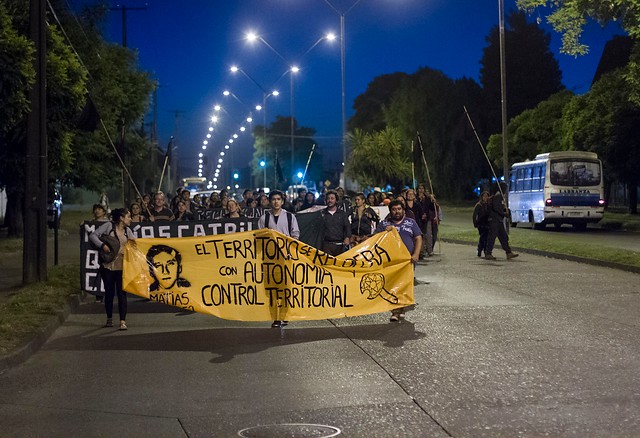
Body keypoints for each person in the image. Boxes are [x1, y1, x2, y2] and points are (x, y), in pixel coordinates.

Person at [257, 190, 300, 328]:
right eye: (273, 199)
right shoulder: (264, 218)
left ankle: (284, 315)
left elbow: (295, 235)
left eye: (278, 199)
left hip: (285, 258)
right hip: (269, 260)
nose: (276, 201)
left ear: (282, 201)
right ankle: (276, 317)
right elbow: (259, 237)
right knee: (272, 288)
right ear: (270, 201)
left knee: (285, 287)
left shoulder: (289, 217)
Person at [375, 200, 422, 322]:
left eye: (399, 209)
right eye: (394, 209)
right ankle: (396, 310)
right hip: (390, 261)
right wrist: (385, 232)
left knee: (404, 284)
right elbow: (374, 239)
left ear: (403, 210)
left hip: (407, 261)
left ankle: (400, 308)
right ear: (390, 211)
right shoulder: (384, 224)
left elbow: (418, 238)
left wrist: (416, 254)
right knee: (392, 285)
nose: (397, 211)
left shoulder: (411, 223)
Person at [89, 208, 135, 330]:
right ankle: (109, 318)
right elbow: (93, 235)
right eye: (128, 216)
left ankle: (122, 321)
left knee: (122, 293)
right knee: (109, 292)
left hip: (122, 266)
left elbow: (135, 245)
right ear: (121, 218)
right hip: (108, 266)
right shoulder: (108, 226)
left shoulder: (128, 231)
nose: (130, 219)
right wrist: (102, 245)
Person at [485, 183, 519, 260]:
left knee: (503, 237)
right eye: (505, 188)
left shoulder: (499, 196)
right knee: (492, 237)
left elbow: (500, 207)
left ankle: (508, 252)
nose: (505, 190)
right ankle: (488, 253)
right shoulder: (498, 196)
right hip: (494, 220)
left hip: (498, 220)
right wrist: (504, 214)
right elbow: (496, 208)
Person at [320, 189, 351, 256]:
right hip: (327, 246)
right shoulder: (322, 214)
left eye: (332, 198)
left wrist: (347, 237)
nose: (330, 200)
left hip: (340, 246)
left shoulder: (342, 214)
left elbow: (347, 227)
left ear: (336, 200)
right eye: (328, 198)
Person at [472, 191, 490, 257]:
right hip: (481, 224)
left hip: (487, 224)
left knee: (487, 238)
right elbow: (474, 215)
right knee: (483, 237)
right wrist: (475, 223)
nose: (486, 197)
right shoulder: (479, 205)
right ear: (482, 197)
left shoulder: (489, 205)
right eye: (484, 196)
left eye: (487, 196)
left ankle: (485, 250)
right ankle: (479, 250)